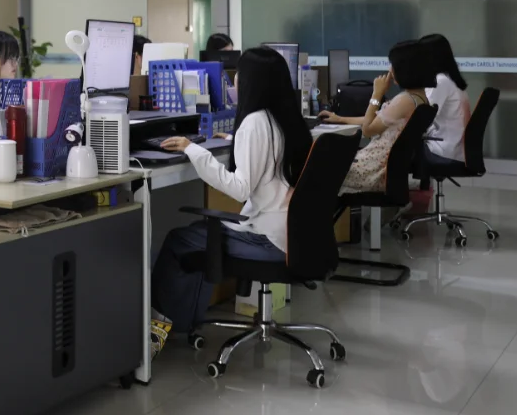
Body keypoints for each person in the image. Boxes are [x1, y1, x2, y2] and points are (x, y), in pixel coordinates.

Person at [151, 47, 311, 342]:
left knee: (179, 241)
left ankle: (161, 331)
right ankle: (184, 323)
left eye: (239, 74)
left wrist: (192, 149)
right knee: (197, 236)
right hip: (295, 234)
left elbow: (240, 188)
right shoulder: (286, 118)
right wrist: (237, 139)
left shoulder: (254, 122)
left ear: (250, 81)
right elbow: (270, 151)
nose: (234, 80)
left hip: (268, 240)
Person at [321, 40, 434, 194]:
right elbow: (378, 121)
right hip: (383, 170)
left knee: (317, 167)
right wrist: (340, 119)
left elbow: (367, 130)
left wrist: (376, 94)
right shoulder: (419, 98)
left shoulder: (404, 101)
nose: (390, 69)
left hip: (372, 172)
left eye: (393, 64)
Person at [420, 34, 470, 165]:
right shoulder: (450, 79)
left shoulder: (439, 82)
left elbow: (421, 118)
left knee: (395, 152)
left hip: (442, 151)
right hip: (453, 149)